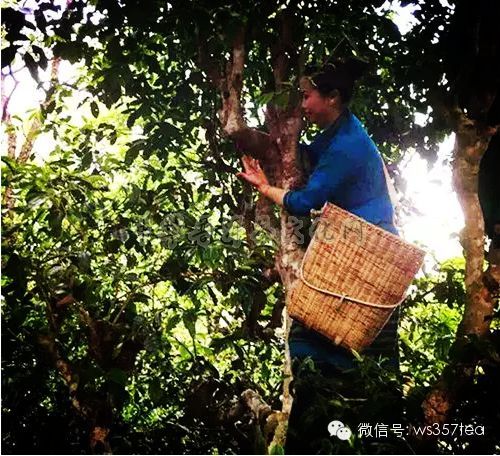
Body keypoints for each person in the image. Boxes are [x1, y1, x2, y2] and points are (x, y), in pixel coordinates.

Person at [237, 57, 401, 453]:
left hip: (366, 252)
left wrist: (264, 187)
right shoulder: (340, 131)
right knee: (336, 346)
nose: (303, 104)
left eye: (308, 96)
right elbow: (308, 156)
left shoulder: (346, 144)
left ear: (332, 98)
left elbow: (304, 201)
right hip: (354, 247)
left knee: (325, 344)